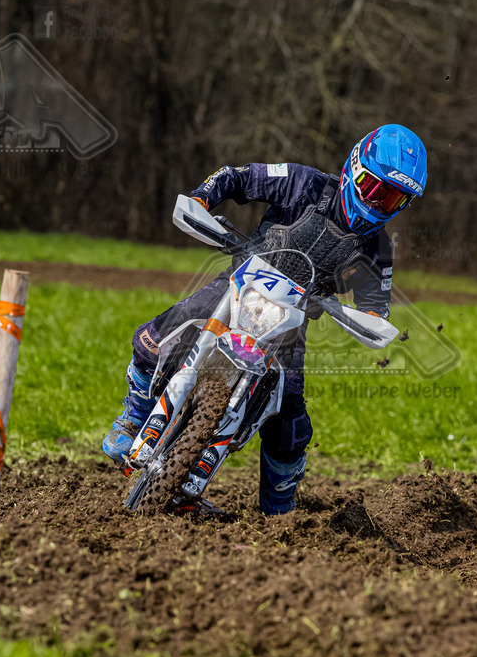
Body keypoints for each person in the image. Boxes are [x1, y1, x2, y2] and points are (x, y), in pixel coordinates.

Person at [102, 124, 428, 515]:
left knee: (291, 422)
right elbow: (236, 178)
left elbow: (376, 305)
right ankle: (131, 419)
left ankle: (279, 509)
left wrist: (371, 318)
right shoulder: (303, 183)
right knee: (156, 338)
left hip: (289, 327)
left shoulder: (375, 248)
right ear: (354, 168)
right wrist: (202, 200)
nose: (380, 203)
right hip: (235, 287)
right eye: (376, 189)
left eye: (394, 200)